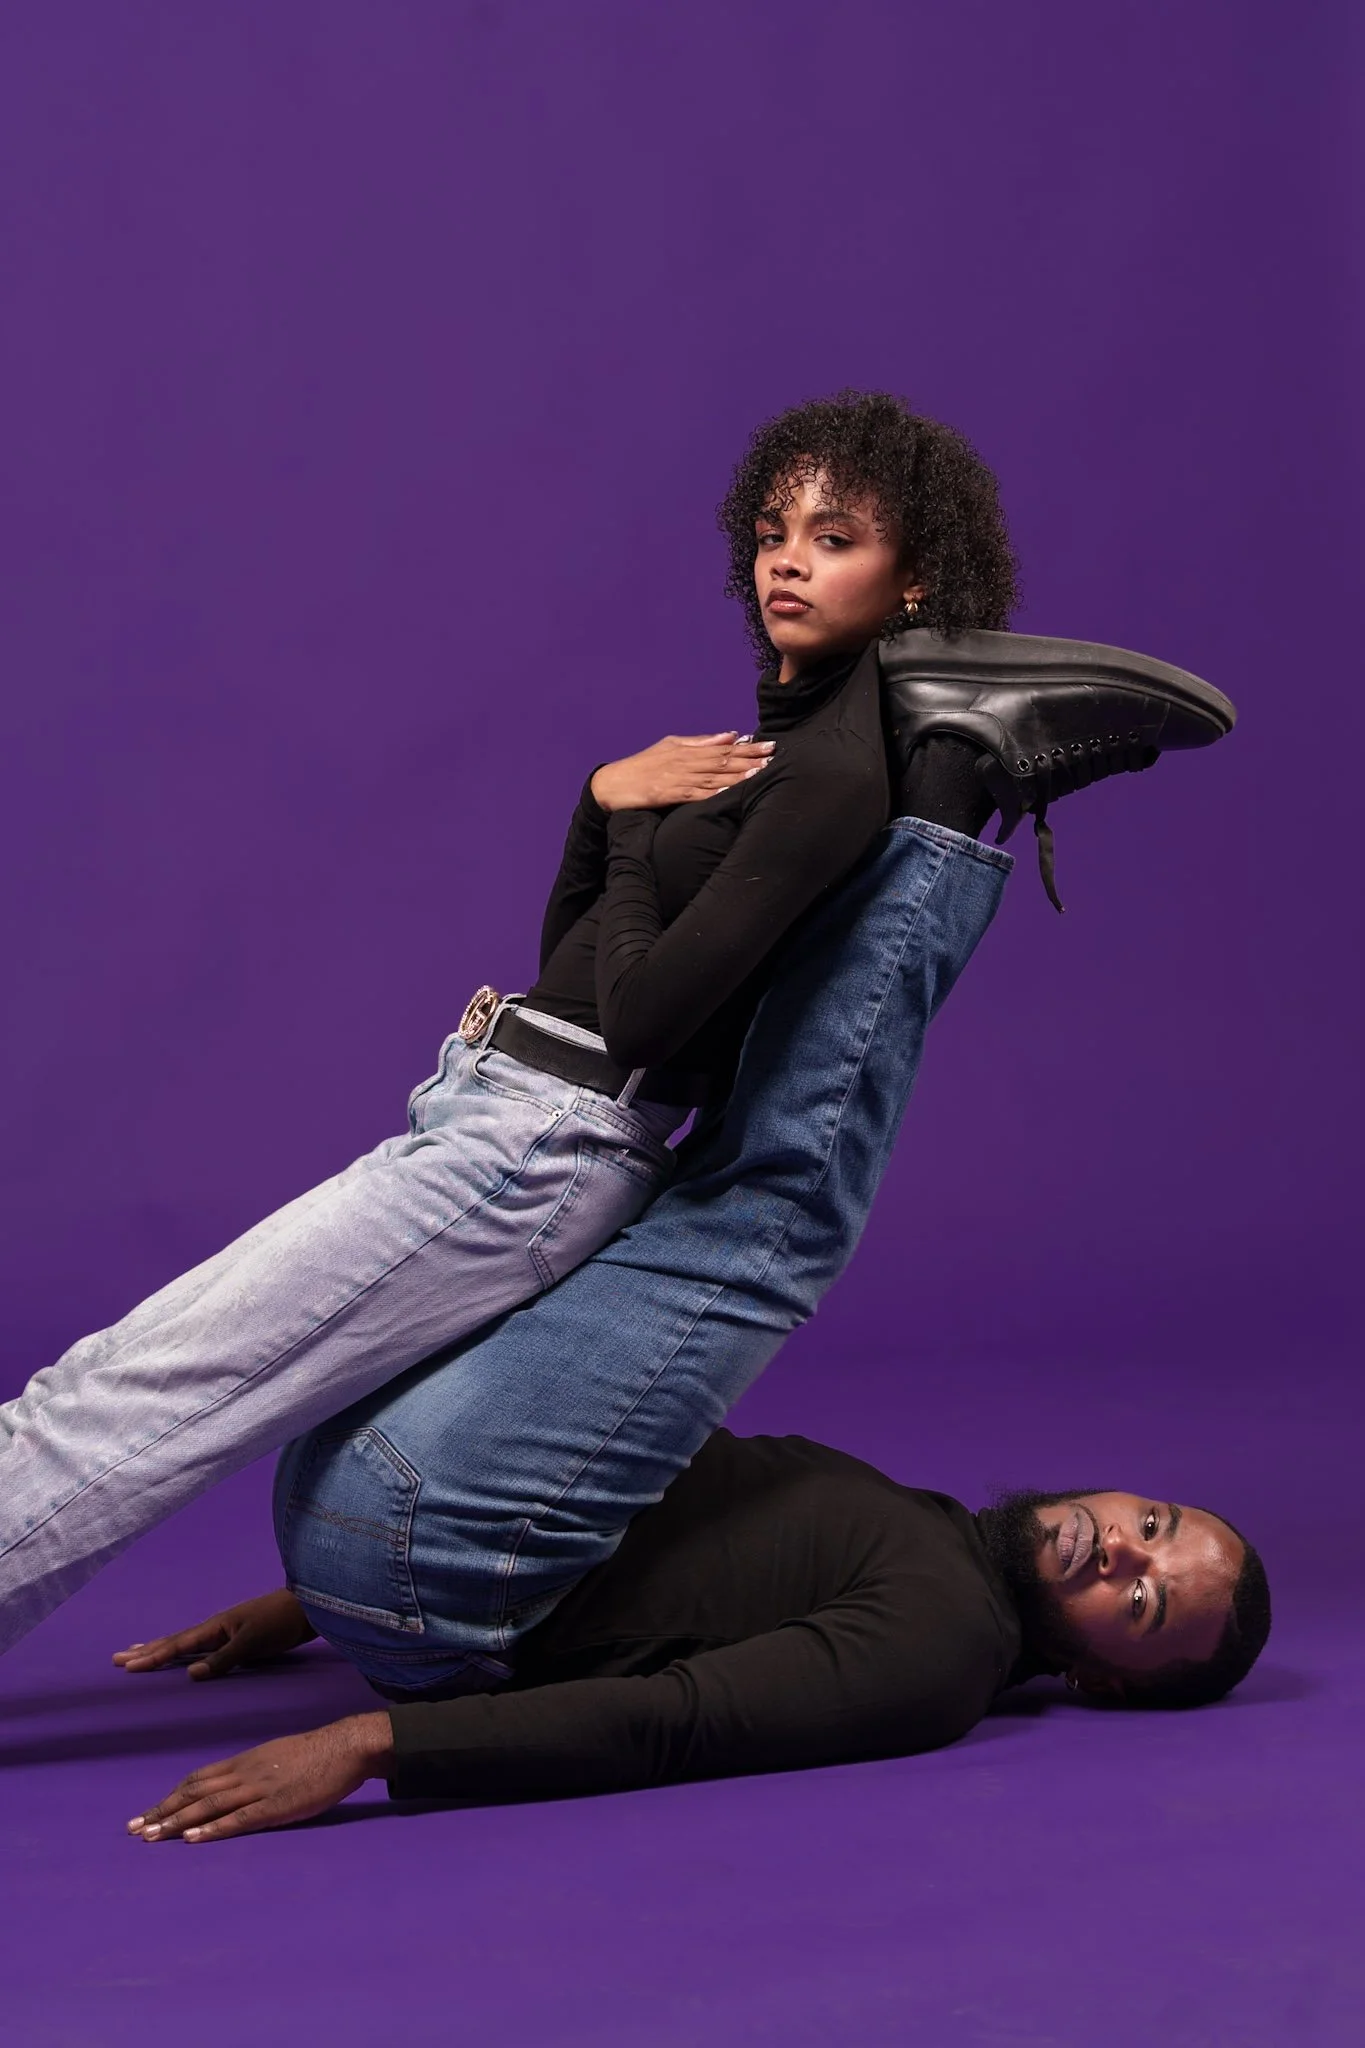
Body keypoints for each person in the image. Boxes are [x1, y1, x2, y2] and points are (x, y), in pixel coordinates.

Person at [120, 1428, 1271, 1843]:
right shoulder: (943, 1542)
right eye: (1153, 1525)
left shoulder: (943, 1646)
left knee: (736, 1219)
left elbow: (677, 1719)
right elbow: (656, 1524)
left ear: (1105, 1679)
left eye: (1143, 1602)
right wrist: (310, 1606)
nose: (1122, 1552)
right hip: (375, 1552)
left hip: (420, 1573)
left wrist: (370, 1743)